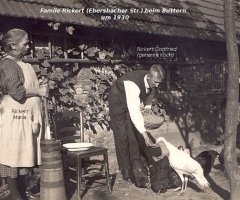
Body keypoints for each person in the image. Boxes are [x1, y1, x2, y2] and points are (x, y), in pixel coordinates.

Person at [0, 29, 48, 200]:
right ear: (13, 46)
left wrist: (39, 86)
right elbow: (17, 92)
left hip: (24, 118)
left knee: (22, 156)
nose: (29, 46)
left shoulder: (23, 64)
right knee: (13, 157)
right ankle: (16, 196)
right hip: (14, 118)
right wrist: (39, 91)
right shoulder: (8, 64)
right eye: (25, 43)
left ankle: (22, 194)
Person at [108, 64, 165, 181]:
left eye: (159, 82)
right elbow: (134, 112)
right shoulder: (133, 84)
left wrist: (148, 108)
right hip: (117, 102)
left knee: (133, 135)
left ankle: (136, 165)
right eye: (156, 82)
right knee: (122, 136)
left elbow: (150, 93)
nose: (157, 85)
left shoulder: (152, 81)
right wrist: (145, 135)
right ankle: (125, 169)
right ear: (148, 76)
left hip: (130, 102)